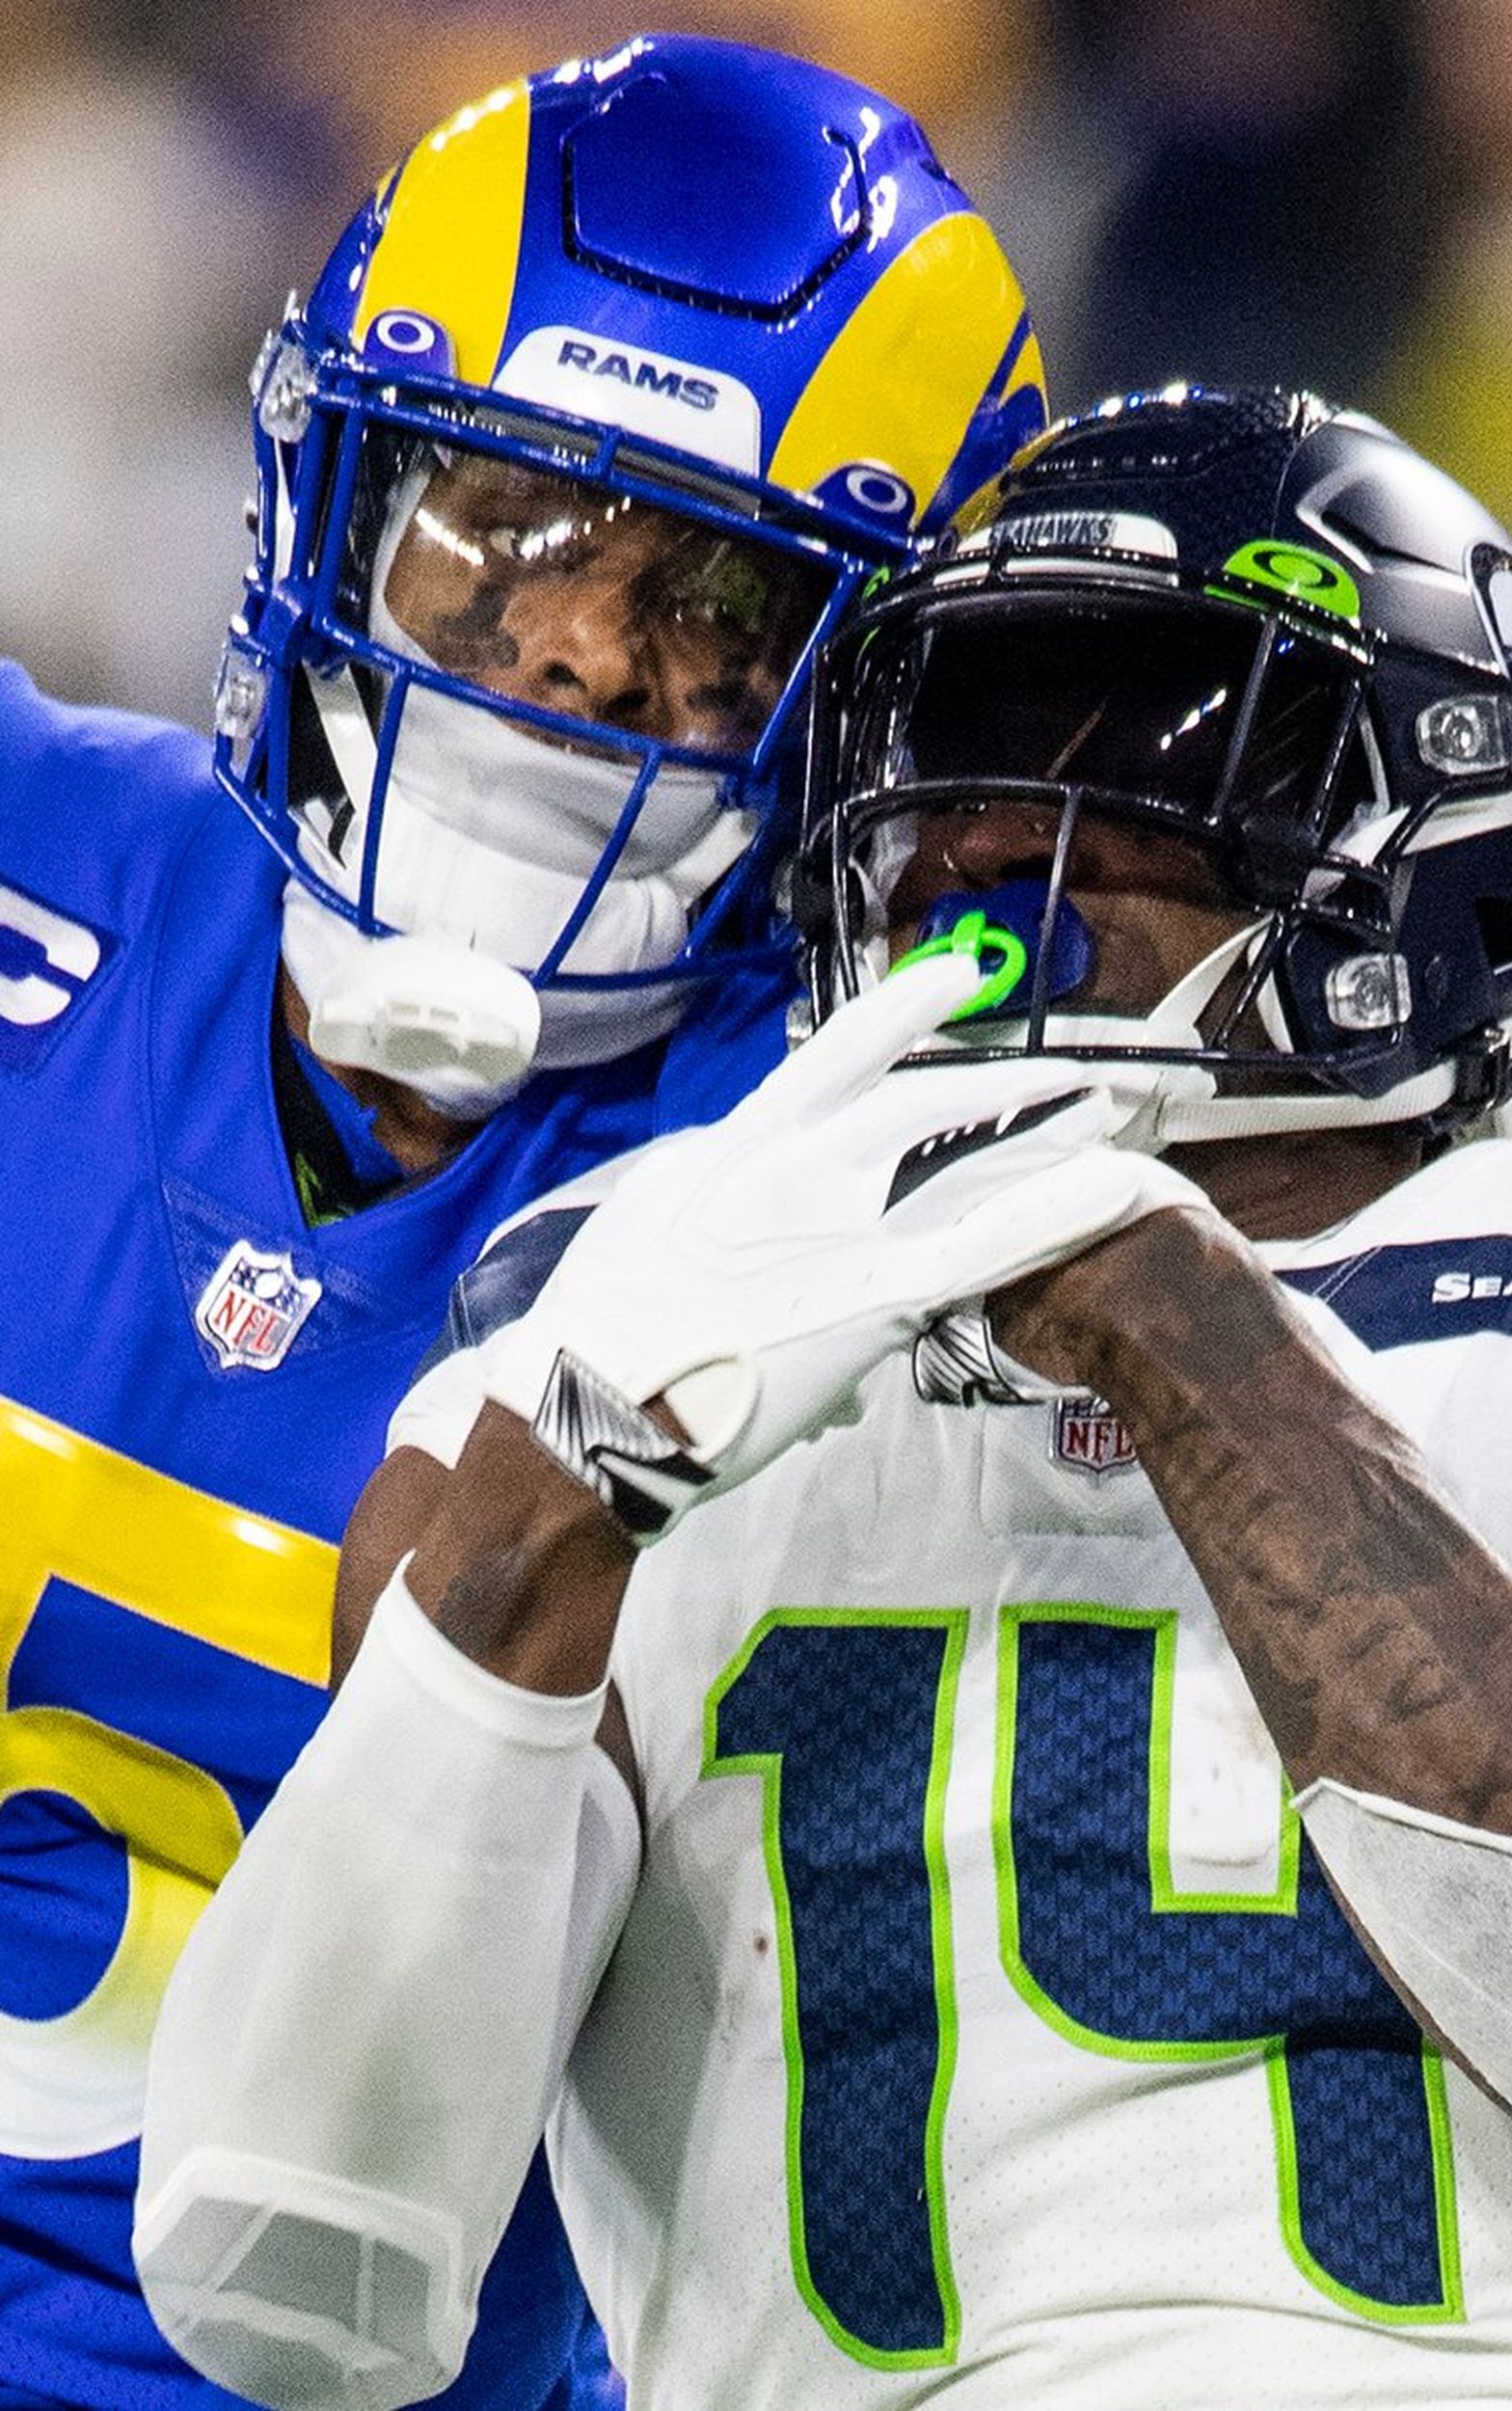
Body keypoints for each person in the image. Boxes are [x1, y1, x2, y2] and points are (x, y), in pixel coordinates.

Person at [136, 384, 1512, 2410]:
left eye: (1115, 731)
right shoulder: (613, 1302)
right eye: (942, 738)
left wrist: (1173, 1316)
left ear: (1433, 816)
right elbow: (292, 2264)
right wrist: (554, 1492)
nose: (975, 825)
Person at [0, 29, 1046, 2407]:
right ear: (335, 495)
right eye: (506, 527)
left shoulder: (838, 1189)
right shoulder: (34, 862)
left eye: (706, 608)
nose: (578, 646)